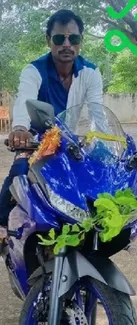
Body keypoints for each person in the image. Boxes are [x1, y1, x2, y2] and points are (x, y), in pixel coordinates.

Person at [0, 9, 103, 227]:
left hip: (67, 142)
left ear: (80, 42)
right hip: (35, 142)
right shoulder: (34, 70)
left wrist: (103, 141)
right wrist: (20, 129)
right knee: (17, 177)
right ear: (49, 41)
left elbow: (98, 112)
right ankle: (3, 228)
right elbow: (24, 98)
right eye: (59, 38)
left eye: (73, 38)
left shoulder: (90, 72)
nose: (67, 44)